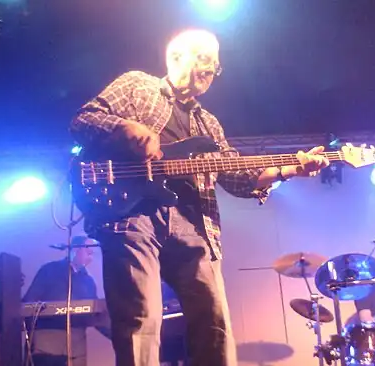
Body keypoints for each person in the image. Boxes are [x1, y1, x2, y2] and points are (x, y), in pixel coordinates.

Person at [69, 29, 329, 366]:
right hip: (131, 215)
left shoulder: (210, 125)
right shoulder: (138, 85)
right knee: (141, 319)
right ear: (175, 57)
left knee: (215, 320)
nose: (213, 68)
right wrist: (125, 129)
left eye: (216, 64)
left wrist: (291, 169)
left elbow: (239, 178)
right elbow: (84, 119)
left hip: (193, 225)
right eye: (205, 58)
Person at [22, 236, 110, 366]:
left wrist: (117, 336)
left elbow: (95, 316)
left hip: (76, 348)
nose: (91, 255)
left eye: (92, 252)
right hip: (46, 345)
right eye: (88, 250)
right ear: (74, 249)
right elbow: (28, 304)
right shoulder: (49, 270)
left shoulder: (88, 281)